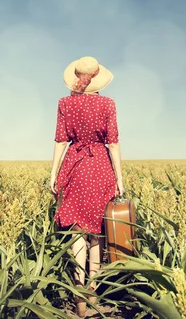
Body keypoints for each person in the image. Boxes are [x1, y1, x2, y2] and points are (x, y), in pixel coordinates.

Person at [49, 56, 124, 317]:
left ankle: (78, 298)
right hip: (100, 168)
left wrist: (53, 173)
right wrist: (120, 178)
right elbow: (112, 143)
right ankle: (92, 293)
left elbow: (61, 141)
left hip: (74, 167)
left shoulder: (64, 104)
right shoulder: (108, 104)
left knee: (77, 233)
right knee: (97, 234)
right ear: (98, 80)